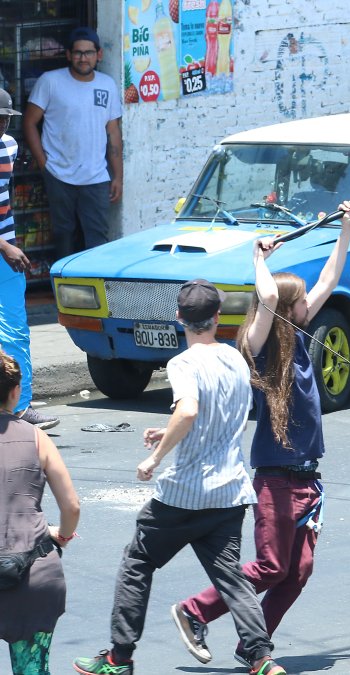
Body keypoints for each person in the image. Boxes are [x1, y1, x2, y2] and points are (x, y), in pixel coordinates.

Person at [171, 202, 350, 667]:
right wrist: (260, 258)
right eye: (301, 301)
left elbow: (330, 279)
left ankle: (250, 643)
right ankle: (194, 610)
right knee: (272, 566)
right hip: (275, 479)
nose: (307, 304)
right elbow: (270, 299)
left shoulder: (297, 342)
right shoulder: (255, 350)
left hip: (308, 480)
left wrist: (346, 228)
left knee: (297, 573)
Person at [73, 280, 286, 675]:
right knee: (230, 576)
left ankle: (119, 658)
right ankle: (261, 658)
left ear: (178, 318)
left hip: (183, 494)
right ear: (218, 318)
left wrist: (155, 456)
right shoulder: (237, 358)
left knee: (137, 562)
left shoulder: (182, 363)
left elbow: (188, 411)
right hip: (229, 492)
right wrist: (168, 430)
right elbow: (196, 415)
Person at [0, 351, 80, 675]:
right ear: (16, 391)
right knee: (32, 668)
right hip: (34, 573)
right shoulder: (37, 437)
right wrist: (60, 534)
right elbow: (71, 506)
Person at [22, 27, 123, 262]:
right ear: (68, 55)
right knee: (63, 235)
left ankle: (97, 291)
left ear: (99, 55)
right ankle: (64, 293)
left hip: (96, 176)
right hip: (58, 173)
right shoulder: (50, 81)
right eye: (77, 53)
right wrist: (43, 163)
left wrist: (118, 176)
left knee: (97, 239)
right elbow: (29, 122)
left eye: (88, 53)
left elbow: (113, 132)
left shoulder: (107, 85)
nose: (83, 58)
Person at [0, 89, 57, 430]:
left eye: (7, 118)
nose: (4, 123)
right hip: (5, 249)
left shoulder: (9, 146)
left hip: (6, 252)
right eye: (0, 117)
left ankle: (19, 407)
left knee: (15, 332)